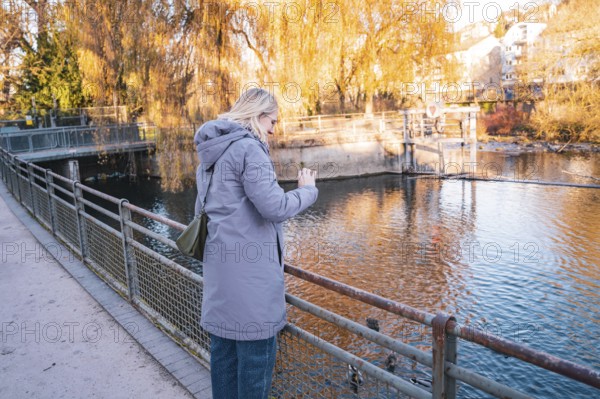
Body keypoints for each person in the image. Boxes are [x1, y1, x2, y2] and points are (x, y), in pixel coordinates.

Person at [193, 88, 318, 399]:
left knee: (223, 364)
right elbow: (274, 207)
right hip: (251, 290)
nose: (274, 130)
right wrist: (308, 191)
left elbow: (200, 213)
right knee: (255, 372)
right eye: (272, 121)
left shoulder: (211, 155)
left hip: (220, 282)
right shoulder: (249, 150)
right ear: (257, 116)